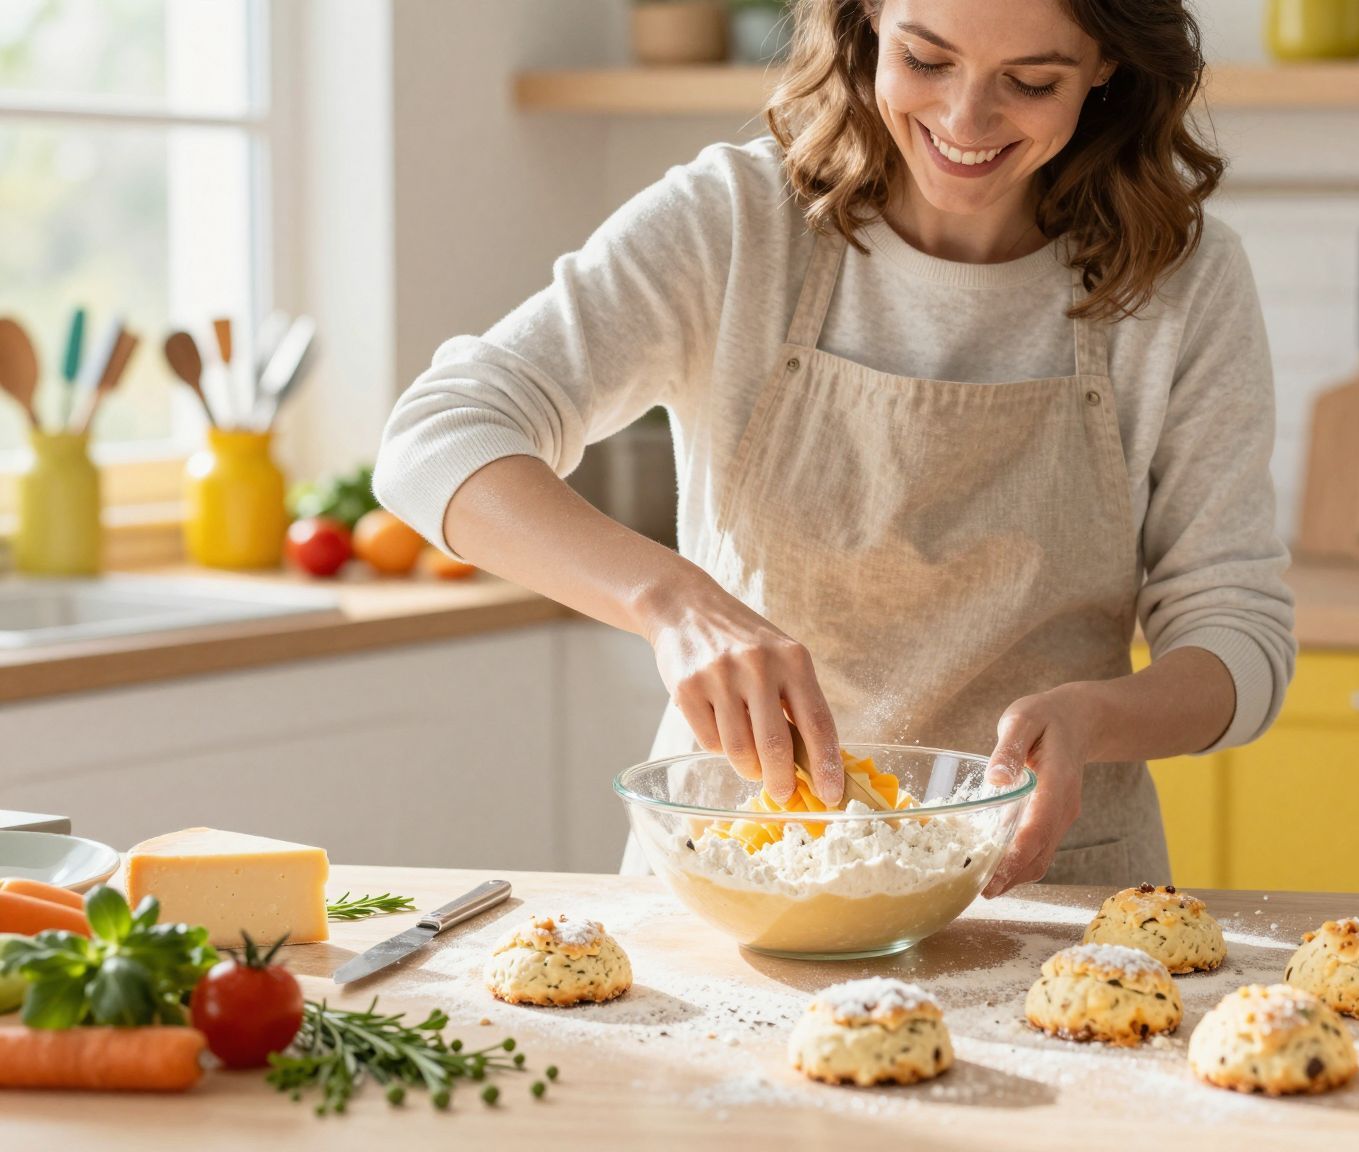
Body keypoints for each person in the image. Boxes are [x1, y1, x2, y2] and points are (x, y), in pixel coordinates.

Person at [373, 0, 1293, 895]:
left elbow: (1237, 633)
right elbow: (437, 435)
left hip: (1053, 892)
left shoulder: (1182, 280)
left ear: (1105, 66)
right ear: (867, 21)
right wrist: (672, 603)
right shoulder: (735, 222)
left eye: (1030, 81)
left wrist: (1099, 718)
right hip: (740, 875)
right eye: (926, 60)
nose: (964, 120)